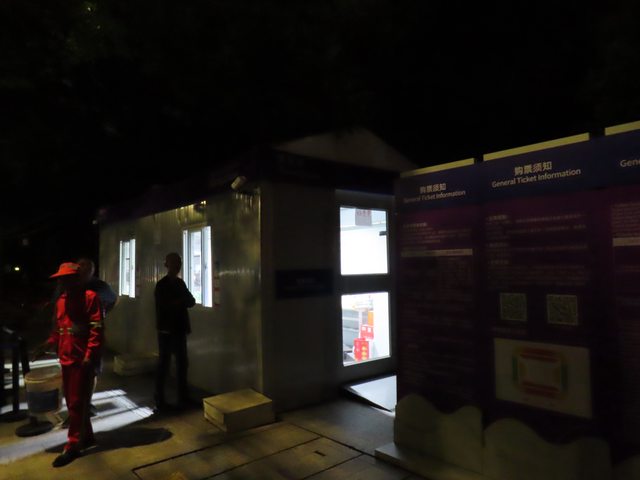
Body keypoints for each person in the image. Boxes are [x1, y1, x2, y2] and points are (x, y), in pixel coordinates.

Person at [34, 262, 104, 468]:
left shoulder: (90, 298)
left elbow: (97, 330)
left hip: (82, 359)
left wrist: (89, 355)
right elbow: (59, 331)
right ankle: (87, 436)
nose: (63, 282)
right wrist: (47, 344)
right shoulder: (61, 301)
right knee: (75, 401)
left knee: (75, 403)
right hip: (66, 357)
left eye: (67, 279)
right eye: (61, 279)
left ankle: (73, 445)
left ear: (77, 279)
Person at [154, 252, 195, 412]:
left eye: (179, 263)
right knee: (164, 365)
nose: (178, 266)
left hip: (177, 330)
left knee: (181, 364)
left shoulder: (179, 283)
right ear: (167, 265)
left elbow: (191, 301)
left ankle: (181, 398)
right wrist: (180, 302)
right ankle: (160, 400)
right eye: (175, 263)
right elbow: (167, 305)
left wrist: (178, 302)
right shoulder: (162, 285)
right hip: (167, 330)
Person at [76, 256, 116, 415]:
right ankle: (78, 405)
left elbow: (113, 300)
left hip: (92, 334)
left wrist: (102, 314)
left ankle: (87, 404)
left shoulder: (100, 286)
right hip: (73, 337)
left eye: (87, 267)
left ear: (92, 270)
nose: (83, 269)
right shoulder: (69, 285)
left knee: (91, 370)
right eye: (81, 266)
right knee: (75, 371)